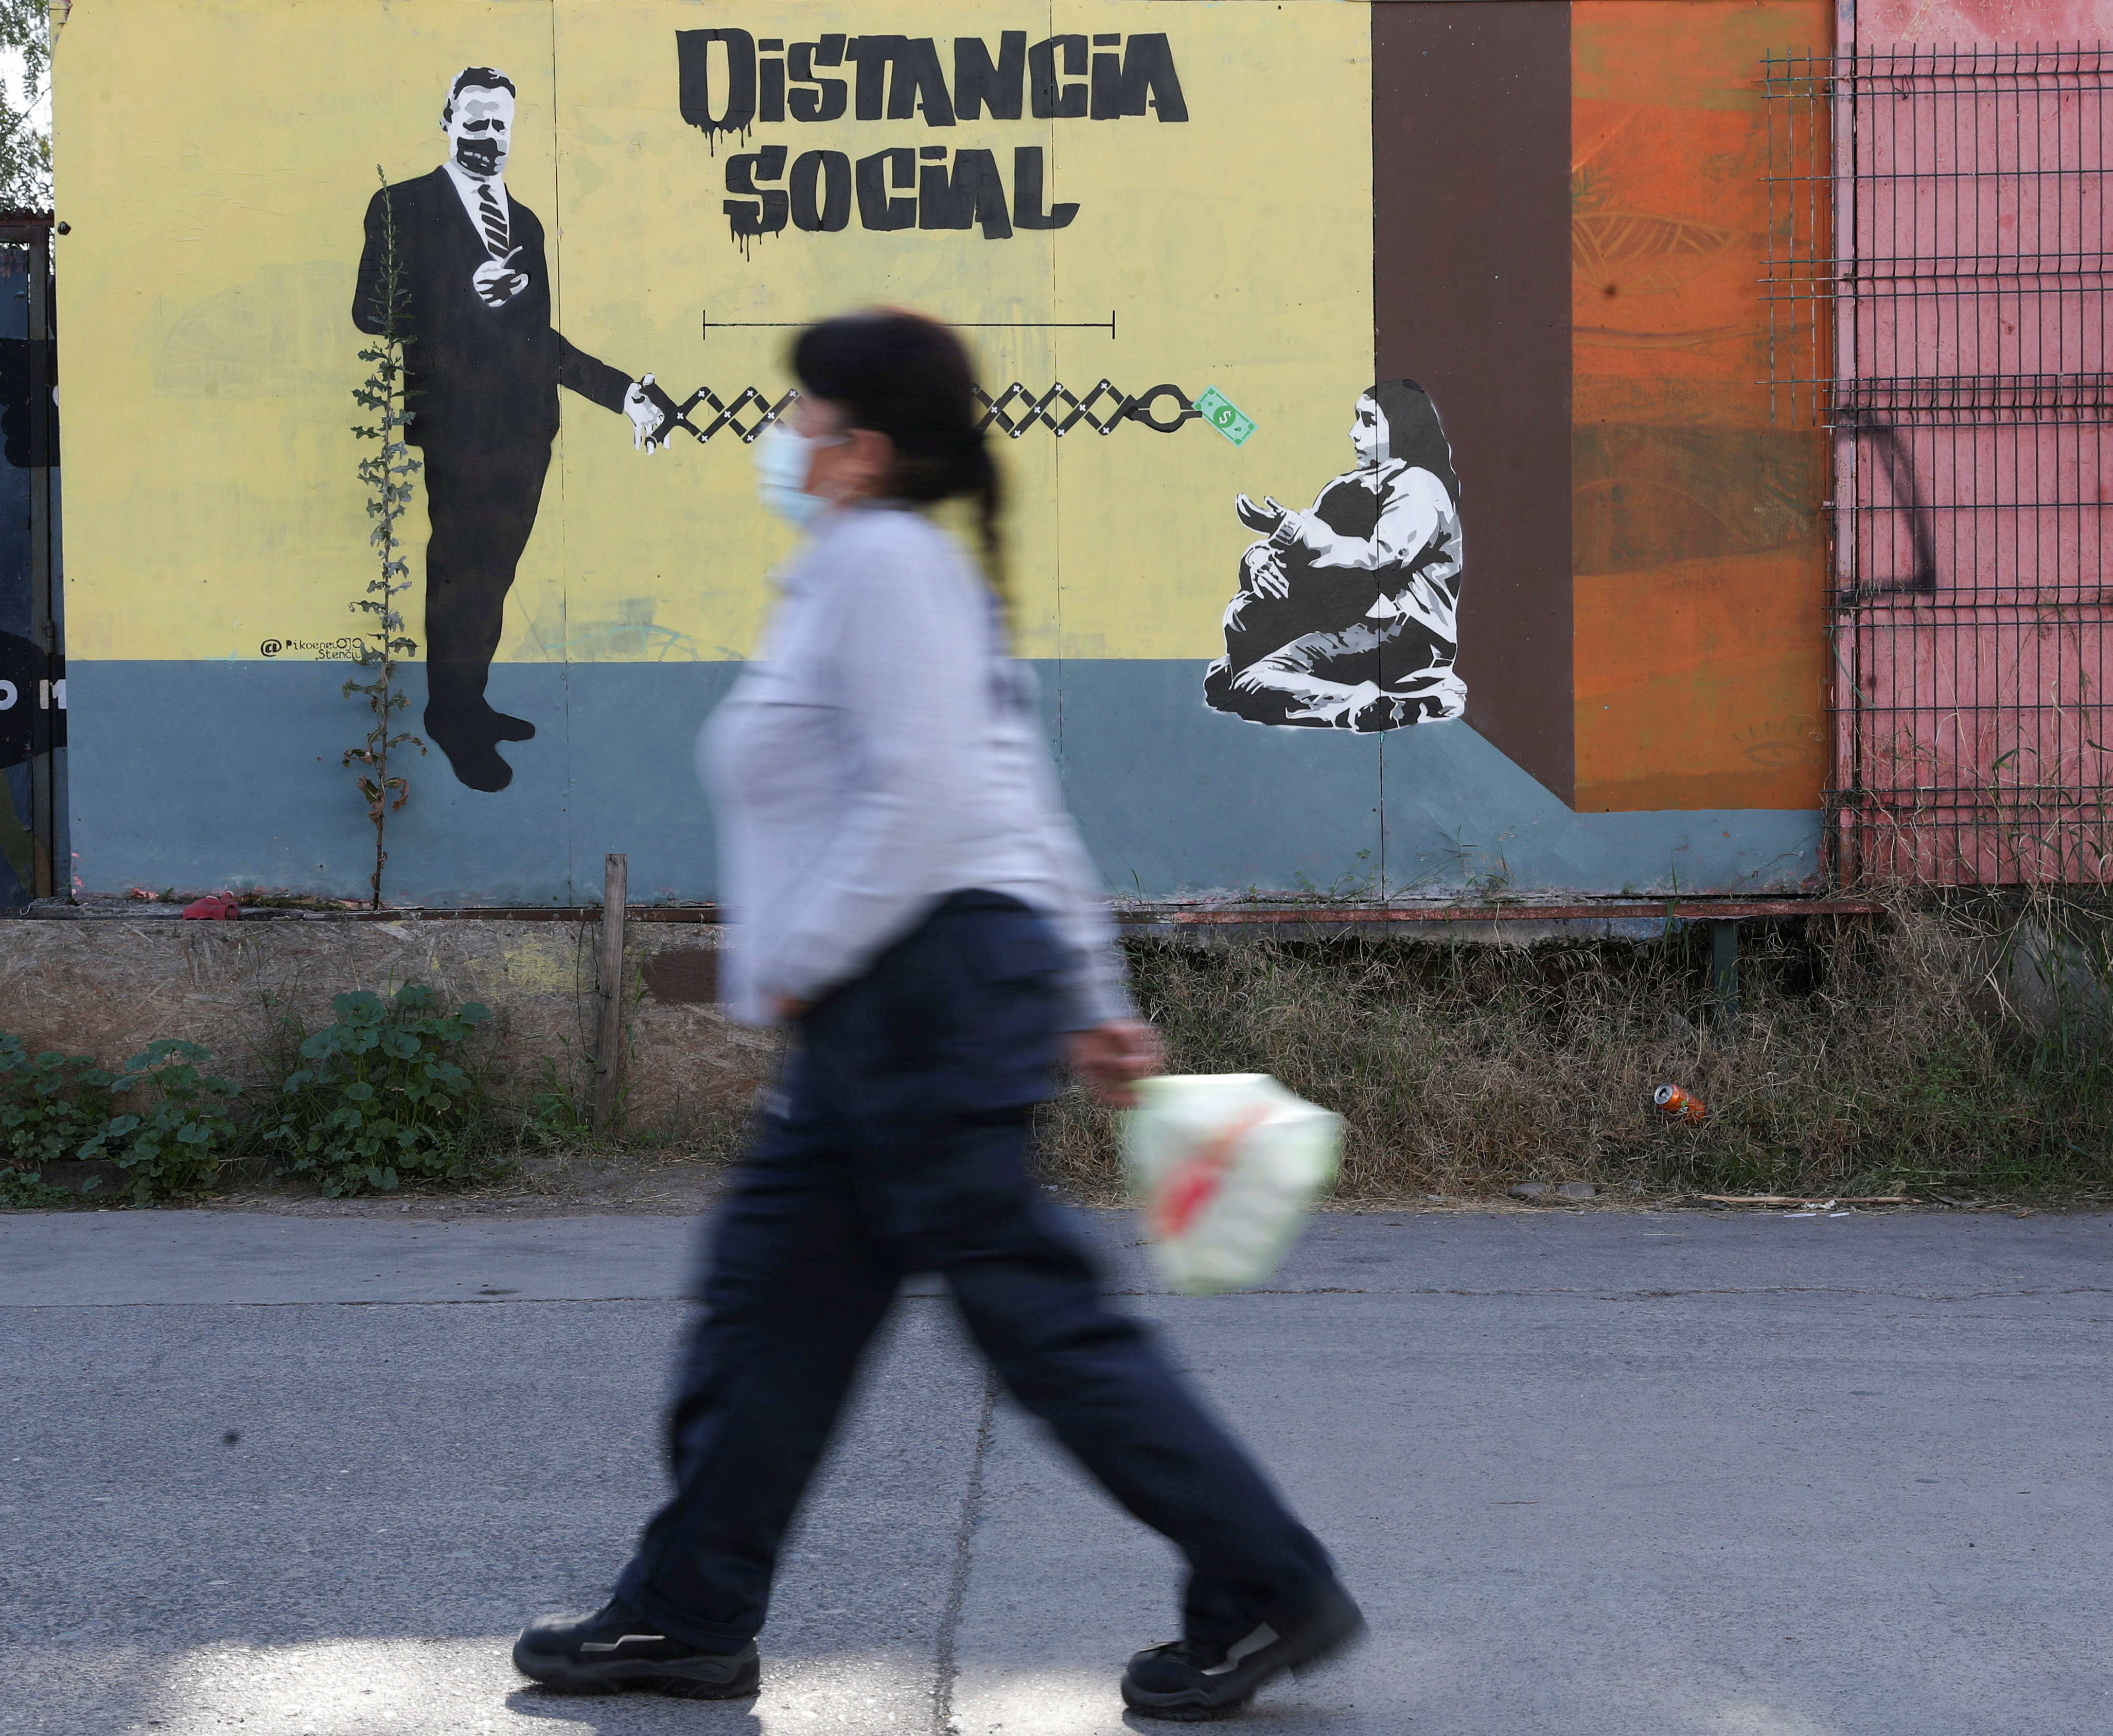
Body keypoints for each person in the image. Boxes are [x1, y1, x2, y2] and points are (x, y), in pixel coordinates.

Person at [512, 310, 1362, 1720]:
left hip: (912, 993)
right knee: (772, 1304)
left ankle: (1265, 1578)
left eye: (804, 411)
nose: (783, 433)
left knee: (1031, 1317)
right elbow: (1014, 795)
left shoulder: (885, 569)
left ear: (861, 449)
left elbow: (934, 800)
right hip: (924, 990)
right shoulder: (876, 570)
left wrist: (808, 959)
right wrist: (1088, 993)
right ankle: (685, 1611)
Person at [351, 66, 672, 793]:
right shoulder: (403, 205)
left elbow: (536, 341)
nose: (489, 136)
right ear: (447, 119)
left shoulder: (523, 222)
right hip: (456, 427)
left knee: (492, 578)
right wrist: (462, 296)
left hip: (525, 431)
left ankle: (467, 703)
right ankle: (451, 719)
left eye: (501, 124)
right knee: (460, 576)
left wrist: (624, 395)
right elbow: (371, 312)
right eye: (476, 120)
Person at [1203, 379, 1466, 733]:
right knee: (1223, 680)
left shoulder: (1418, 484)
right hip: (1358, 626)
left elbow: (1378, 557)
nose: (1353, 434)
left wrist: (1289, 528)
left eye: (1369, 422)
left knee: (1255, 683)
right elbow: (1304, 543)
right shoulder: (1347, 486)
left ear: (1404, 428)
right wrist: (1258, 560)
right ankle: (1393, 699)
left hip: (1404, 633)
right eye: (1357, 420)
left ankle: (1373, 706)